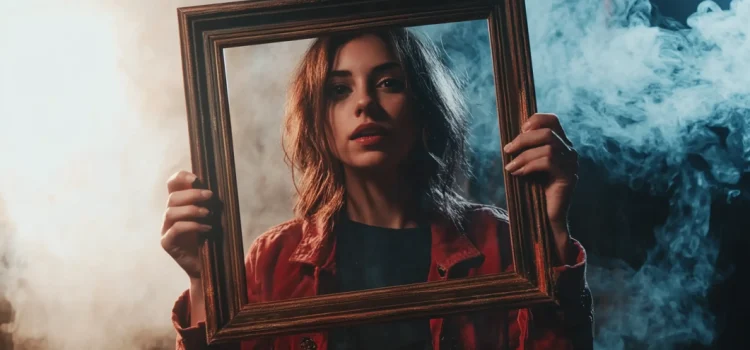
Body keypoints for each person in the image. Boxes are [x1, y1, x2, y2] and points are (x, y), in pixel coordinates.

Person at [162, 28, 593, 350]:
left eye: (389, 83)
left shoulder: (498, 243)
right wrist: (203, 281)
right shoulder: (273, 261)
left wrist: (552, 228)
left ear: (424, 108)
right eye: (339, 90)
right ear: (318, 119)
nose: (364, 102)